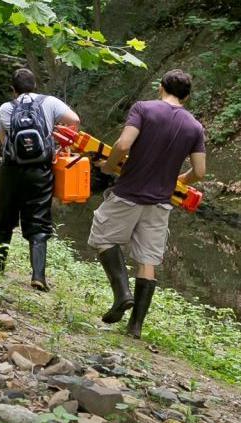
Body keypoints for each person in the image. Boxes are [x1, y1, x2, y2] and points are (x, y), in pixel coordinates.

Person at [88, 70, 207, 339]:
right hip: (161, 203)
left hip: (128, 192)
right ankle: (135, 327)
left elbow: (123, 144)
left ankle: (122, 295)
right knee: (148, 260)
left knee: (102, 238)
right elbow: (199, 172)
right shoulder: (194, 127)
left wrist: (108, 167)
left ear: (160, 87)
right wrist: (182, 179)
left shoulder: (143, 109)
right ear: (186, 97)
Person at [0, 69, 80, 291]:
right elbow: (75, 120)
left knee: (4, 216)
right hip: (40, 171)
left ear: (13, 89)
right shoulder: (49, 103)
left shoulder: (6, 108)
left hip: (12, 170)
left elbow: (3, 140)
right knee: (39, 219)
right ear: (35, 86)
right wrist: (59, 144)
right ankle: (38, 275)